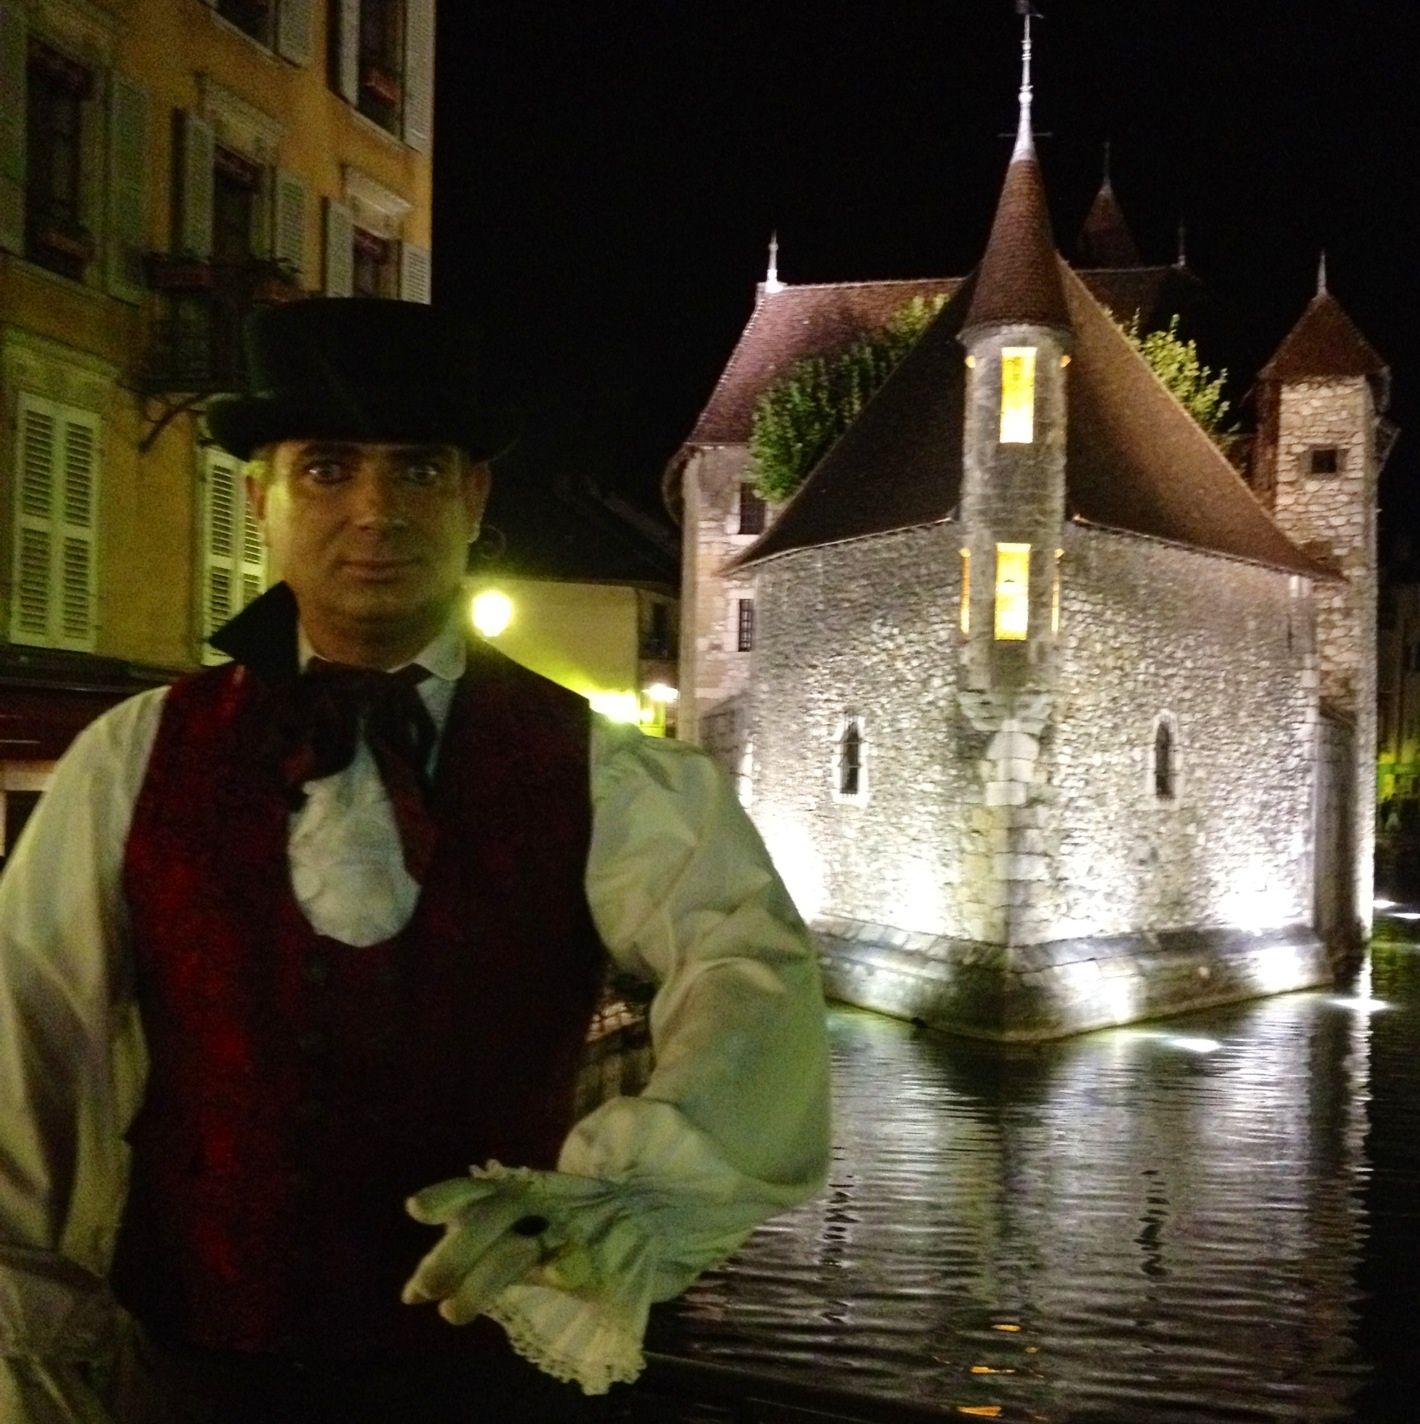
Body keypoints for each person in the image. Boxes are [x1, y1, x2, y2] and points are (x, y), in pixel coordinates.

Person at [0, 299, 831, 1423]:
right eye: (327, 469)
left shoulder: (606, 772)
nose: (376, 509)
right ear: (260, 499)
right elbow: (28, 1039)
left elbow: (750, 975)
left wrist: (617, 1199)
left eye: (420, 470)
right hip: (186, 1377)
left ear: (473, 498)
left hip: (486, 1387)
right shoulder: (132, 755)